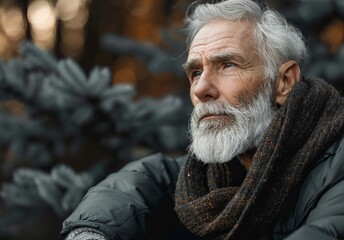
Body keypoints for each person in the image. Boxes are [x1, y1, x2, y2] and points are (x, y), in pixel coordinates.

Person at [60, 0, 344, 239]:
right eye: (195, 72)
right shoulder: (202, 177)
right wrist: (90, 233)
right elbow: (146, 182)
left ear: (284, 82)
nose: (200, 89)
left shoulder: (337, 167)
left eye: (227, 65)